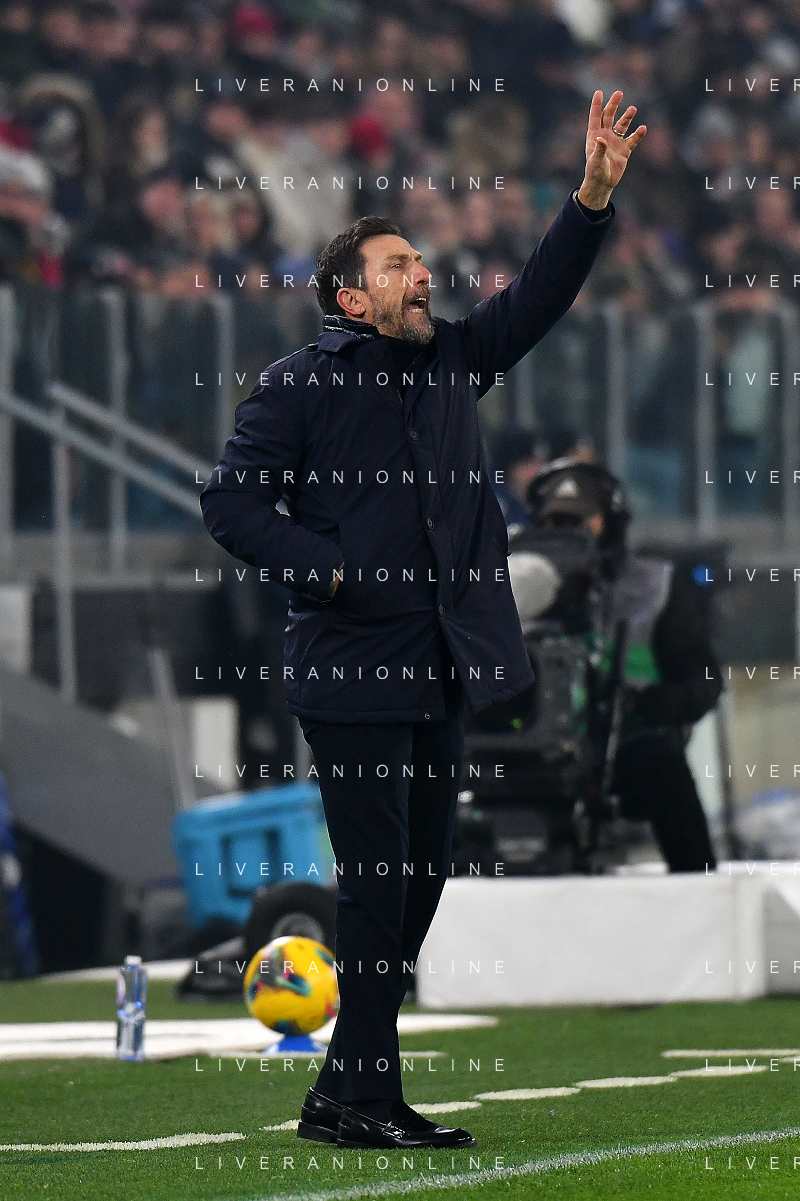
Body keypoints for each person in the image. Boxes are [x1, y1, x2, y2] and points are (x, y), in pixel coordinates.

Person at [200, 91, 646, 1151]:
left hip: (440, 663)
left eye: (417, 261)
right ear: (352, 298)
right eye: (398, 265)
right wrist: (330, 571)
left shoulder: (452, 360)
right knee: (376, 881)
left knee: (422, 875)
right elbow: (231, 504)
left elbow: (536, 297)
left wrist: (588, 201)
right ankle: (366, 1095)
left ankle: (343, 1087)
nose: (422, 275)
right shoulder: (295, 388)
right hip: (350, 664)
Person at [524, 457, 721, 872]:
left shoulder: (656, 587)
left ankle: (700, 888)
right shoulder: (512, 588)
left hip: (627, 750)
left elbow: (703, 681)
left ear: (610, 524)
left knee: (667, 775)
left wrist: (648, 704)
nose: (568, 534)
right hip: (528, 750)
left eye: (581, 522)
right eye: (555, 523)